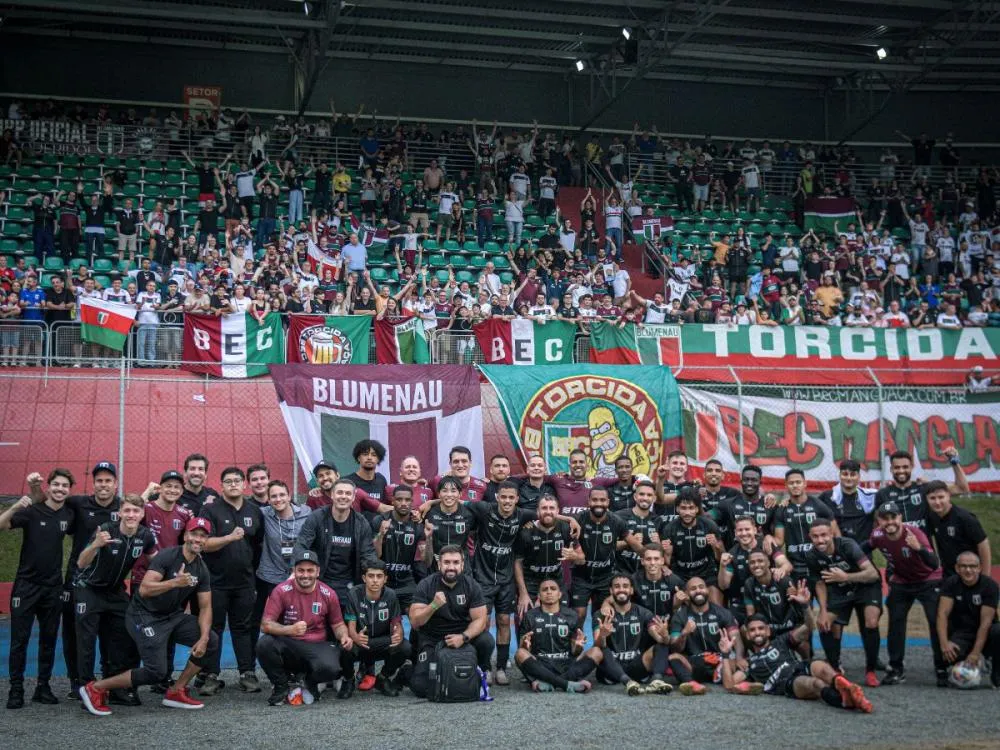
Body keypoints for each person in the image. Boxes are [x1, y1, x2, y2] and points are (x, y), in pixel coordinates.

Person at [79, 517, 220, 716]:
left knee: (212, 641)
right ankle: (95, 688)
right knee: (157, 672)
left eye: (203, 536)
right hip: (144, 615)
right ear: (186, 535)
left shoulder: (201, 568)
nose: (198, 539)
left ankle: (176, 690)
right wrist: (174, 583)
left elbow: (205, 607)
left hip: (172, 616)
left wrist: (203, 638)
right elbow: (144, 590)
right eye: (194, 534)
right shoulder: (168, 556)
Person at [25, 460, 121, 699]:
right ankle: (76, 682)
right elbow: (45, 504)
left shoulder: (123, 506)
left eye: (108, 480)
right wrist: (36, 487)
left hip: (109, 582)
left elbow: (142, 510)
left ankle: (108, 679)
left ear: (115, 484)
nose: (103, 485)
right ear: (94, 483)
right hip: (77, 580)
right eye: (99, 480)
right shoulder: (78, 503)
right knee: (73, 632)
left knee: (111, 632)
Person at [1, 469, 77, 709]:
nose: (60, 489)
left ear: (69, 489)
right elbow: (1, 525)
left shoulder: (69, 514)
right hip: (26, 586)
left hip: (53, 587)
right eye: (56, 484)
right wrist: (15, 506)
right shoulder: (32, 512)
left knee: (48, 638)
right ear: (49, 487)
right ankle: (16, 689)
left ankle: (42, 687)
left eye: (65, 485)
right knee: (19, 641)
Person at [73, 493, 156, 707]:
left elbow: (157, 560)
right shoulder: (106, 530)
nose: (131, 515)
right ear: (120, 512)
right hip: (89, 589)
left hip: (116, 592)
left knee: (126, 635)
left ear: (142, 514)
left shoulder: (145, 536)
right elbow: (81, 563)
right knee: (87, 641)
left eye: (135, 511)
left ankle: (115, 687)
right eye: (127, 510)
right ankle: (87, 689)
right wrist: (95, 545)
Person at [196, 466, 264, 695]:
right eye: (228, 481)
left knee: (243, 628)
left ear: (244, 484)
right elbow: (203, 544)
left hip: (245, 582)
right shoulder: (211, 510)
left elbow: (258, 545)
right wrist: (229, 538)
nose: (233, 484)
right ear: (221, 485)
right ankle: (211, 675)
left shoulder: (254, 511)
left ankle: (247, 673)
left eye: (237, 480)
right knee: (214, 628)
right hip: (215, 582)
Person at [257, 550, 353, 706]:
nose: (305, 575)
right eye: (301, 570)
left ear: (318, 572)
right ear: (294, 571)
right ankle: (281, 686)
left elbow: (338, 624)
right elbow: (266, 624)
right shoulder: (281, 590)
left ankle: (308, 682)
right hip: (290, 643)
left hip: (317, 645)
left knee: (331, 668)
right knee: (264, 644)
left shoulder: (328, 593)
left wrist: (344, 636)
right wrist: (290, 630)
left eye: (310, 570)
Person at [720, 615, 873, 712]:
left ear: (768, 631)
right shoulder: (750, 664)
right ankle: (845, 701)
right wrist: (726, 653)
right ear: (747, 635)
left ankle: (844, 685)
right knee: (815, 684)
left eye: (761, 628)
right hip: (787, 682)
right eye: (752, 630)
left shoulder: (781, 641)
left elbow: (809, 627)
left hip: (800, 666)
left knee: (820, 666)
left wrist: (806, 605)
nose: (757, 632)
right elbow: (729, 684)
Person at [869, 501, 945, 686]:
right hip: (902, 581)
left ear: (900, 518)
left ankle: (942, 667)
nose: (890, 522)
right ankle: (896, 668)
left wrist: (918, 548)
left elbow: (934, 563)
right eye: (885, 519)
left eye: (893, 517)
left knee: (935, 619)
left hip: (928, 579)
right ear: (879, 521)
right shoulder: (877, 535)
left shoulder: (915, 534)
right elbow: (864, 548)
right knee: (895, 619)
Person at [407, 545, 495, 698]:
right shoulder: (426, 585)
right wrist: (433, 606)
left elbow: (480, 620)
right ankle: (411, 670)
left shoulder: (472, 585)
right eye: (447, 562)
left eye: (455, 562)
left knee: (486, 640)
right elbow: (415, 622)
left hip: (462, 637)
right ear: (439, 564)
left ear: (462, 565)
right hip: (433, 639)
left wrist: (464, 637)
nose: (451, 567)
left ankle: (481, 670)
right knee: (420, 687)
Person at [807, 519, 882, 687]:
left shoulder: (848, 545)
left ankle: (870, 670)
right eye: (815, 536)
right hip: (840, 590)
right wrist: (823, 610)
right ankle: (835, 668)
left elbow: (872, 573)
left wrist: (846, 577)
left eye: (824, 535)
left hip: (865, 586)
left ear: (832, 534)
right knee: (825, 623)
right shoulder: (812, 555)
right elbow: (819, 583)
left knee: (871, 621)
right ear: (810, 537)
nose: (820, 540)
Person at [251, 479, 311, 667]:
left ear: (289, 495)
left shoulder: (306, 512)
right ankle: (269, 663)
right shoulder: (263, 514)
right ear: (268, 500)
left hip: (298, 576)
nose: (278, 499)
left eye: (281, 495)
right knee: (271, 621)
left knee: (295, 619)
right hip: (271, 576)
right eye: (273, 496)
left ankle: (297, 663)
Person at [294, 478, 378, 603]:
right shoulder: (317, 517)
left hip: (349, 583)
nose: (343, 496)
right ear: (332, 495)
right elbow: (301, 544)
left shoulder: (361, 523)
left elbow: (368, 554)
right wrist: (296, 571)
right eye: (340, 492)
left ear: (353, 497)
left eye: (348, 493)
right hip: (319, 580)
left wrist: (373, 575)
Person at [515, 578, 603, 693]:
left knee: (597, 652)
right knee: (520, 654)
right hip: (541, 665)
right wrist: (525, 645)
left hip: (566, 665)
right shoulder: (530, 616)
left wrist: (578, 646)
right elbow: (525, 650)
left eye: (553, 589)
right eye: (545, 589)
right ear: (539, 596)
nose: (549, 592)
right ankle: (567, 684)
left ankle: (549, 683)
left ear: (560, 594)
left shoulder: (571, 615)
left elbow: (576, 653)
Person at [594, 574, 673, 696]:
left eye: (625, 586)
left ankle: (657, 681)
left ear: (631, 590)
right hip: (611, 669)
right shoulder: (600, 614)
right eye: (617, 586)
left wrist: (665, 636)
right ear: (611, 591)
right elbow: (597, 645)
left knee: (662, 645)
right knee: (600, 649)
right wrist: (603, 635)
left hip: (636, 666)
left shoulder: (643, 612)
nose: (621, 589)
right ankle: (628, 682)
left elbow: (659, 638)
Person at [341, 560, 410, 698]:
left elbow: (397, 623)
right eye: (371, 576)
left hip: (382, 642)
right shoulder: (354, 594)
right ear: (364, 578)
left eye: (379, 576)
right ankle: (348, 679)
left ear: (385, 579)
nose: (375, 580)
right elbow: (351, 626)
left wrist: (398, 634)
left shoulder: (390, 595)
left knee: (405, 647)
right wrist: (355, 637)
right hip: (361, 642)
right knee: (345, 647)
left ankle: (383, 678)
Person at [936, 551, 1000, 690]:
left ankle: (996, 673)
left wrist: (975, 653)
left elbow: (985, 623)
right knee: (948, 653)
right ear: (957, 568)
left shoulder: (990, 586)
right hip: (962, 632)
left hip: (987, 632)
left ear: (979, 568)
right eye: (963, 566)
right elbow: (942, 614)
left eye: (972, 566)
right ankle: (967, 663)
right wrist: (944, 644)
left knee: (998, 631)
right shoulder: (950, 583)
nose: (968, 570)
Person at [668, 576, 741, 695]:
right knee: (673, 657)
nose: (698, 591)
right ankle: (692, 684)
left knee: (735, 662)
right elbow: (675, 647)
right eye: (693, 588)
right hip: (695, 662)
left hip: (720, 659)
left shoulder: (722, 613)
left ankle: (736, 684)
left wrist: (739, 657)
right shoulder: (680, 616)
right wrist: (684, 634)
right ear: (686, 593)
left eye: (701, 587)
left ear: (707, 590)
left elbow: (736, 637)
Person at [566, 486, 628, 622]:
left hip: (605, 577)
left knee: (602, 615)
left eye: (602, 500)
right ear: (588, 501)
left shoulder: (616, 521)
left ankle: (600, 643)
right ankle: (577, 643)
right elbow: (552, 518)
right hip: (581, 576)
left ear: (608, 502)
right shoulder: (579, 519)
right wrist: (570, 520)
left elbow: (632, 543)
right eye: (594, 500)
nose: (598, 503)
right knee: (578, 615)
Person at [875, 449, 969, 533]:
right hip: (897, 549)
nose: (901, 470)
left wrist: (954, 462)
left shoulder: (924, 487)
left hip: (924, 549)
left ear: (911, 467)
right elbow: (876, 524)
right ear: (891, 469)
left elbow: (961, 488)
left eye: (905, 467)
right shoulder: (882, 494)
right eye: (897, 467)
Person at [660, 489, 725, 602]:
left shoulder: (709, 525)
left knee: (716, 604)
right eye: (683, 508)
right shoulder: (669, 529)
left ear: (697, 509)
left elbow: (721, 558)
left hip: (707, 573)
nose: (687, 512)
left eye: (691, 508)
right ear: (677, 509)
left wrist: (716, 547)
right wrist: (667, 553)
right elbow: (667, 563)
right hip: (681, 575)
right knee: (681, 604)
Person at [514, 494, 574, 617]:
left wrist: (575, 556)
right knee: (524, 617)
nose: (548, 511)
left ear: (558, 511)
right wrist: (523, 593)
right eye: (544, 508)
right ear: (537, 511)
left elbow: (581, 558)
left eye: (551, 508)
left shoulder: (566, 528)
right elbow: (517, 562)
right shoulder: (525, 532)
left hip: (556, 579)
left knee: (561, 619)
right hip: (530, 581)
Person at [773, 469, 837, 581]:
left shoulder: (819, 505)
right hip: (795, 567)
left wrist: (835, 559)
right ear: (786, 485)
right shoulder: (781, 510)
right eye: (791, 483)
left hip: (819, 564)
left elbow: (835, 534)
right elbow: (779, 541)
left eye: (798, 482)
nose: (795, 485)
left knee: (825, 597)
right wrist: (768, 537)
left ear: (805, 484)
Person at [372, 485, 426, 611]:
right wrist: (380, 534)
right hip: (383, 582)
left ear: (412, 502)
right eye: (399, 499)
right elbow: (375, 556)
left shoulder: (418, 525)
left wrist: (428, 539)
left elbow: (426, 561)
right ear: (392, 501)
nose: (403, 503)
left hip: (407, 582)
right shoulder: (380, 520)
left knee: (417, 616)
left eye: (407, 500)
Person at [925, 480, 991, 578]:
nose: (937, 502)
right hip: (948, 575)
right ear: (926, 499)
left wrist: (986, 577)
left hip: (970, 573)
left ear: (948, 496)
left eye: (941, 497)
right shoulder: (932, 517)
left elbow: (983, 544)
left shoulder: (965, 518)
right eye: (932, 498)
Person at [819, 459, 877, 546]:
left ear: (859, 477)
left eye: (853, 474)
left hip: (863, 550)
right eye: (845, 474)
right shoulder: (827, 497)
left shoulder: (869, 497)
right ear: (840, 475)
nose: (848, 478)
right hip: (838, 549)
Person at [614, 479, 661, 575]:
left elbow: (664, 553)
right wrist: (628, 542)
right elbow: (609, 546)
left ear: (654, 498)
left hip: (645, 575)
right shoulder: (619, 516)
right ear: (635, 497)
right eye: (642, 494)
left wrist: (658, 543)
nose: (645, 498)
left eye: (649, 495)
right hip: (621, 573)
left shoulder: (658, 520)